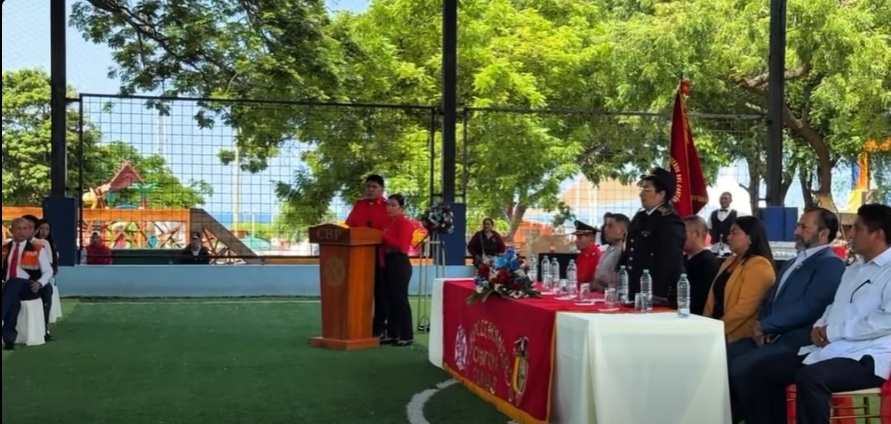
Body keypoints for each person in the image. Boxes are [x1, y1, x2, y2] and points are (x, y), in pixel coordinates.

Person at [742, 203, 891, 424]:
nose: (849, 234)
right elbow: (834, 305)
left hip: (870, 355)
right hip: (833, 347)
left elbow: (885, 322)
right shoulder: (854, 268)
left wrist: (833, 331)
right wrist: (819, 327)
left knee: (811, 378)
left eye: (857, 228)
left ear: (877, 234)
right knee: (765, 369)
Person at [726, 208, 845, 422]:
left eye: (803, 227)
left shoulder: (830, 263)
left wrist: (769, 326)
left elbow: (811, 306)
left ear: (823, 234)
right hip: (773, 334)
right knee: (723, 358)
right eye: (798, 225)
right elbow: (769, 297)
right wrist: (762, 324)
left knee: (745, 368)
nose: (796, 231)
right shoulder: (793, 261)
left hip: (798, 341)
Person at [619, 167, 686, 306]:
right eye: (642, 190)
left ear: (661, 194)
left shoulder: (669, 221)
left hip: (654, 293)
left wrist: (659, 294)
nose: (641, 194)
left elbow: (670, 261)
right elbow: (629, 252)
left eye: (646, 190)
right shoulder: (640, 217)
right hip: (635, 289)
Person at [703, 216, 776, 342]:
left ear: (750, 237)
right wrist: (706, 324)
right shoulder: (730, 261)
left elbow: (744, 309)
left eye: (734, 233)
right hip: (715, 329)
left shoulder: (759, 265)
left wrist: (716, 328)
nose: (728, 237)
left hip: (738, 335)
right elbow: (713, 297)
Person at [345, 174, 390, 338]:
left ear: (382, 190)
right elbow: (349, 227)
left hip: (380, 254)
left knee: (380, 292)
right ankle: (358, 323)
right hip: (359, 255)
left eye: (374, 187)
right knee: (360, 291)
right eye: (368, 186)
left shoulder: (387, 206)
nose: (370, 190)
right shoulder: (359, 205)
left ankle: (379, 326)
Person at [2, 217, 54, 350]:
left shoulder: (37, 248)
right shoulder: (4, 249)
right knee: (12, 298)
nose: (22, 232)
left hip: (30, 287)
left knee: (13, 283)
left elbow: (49, 271)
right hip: (8, 288)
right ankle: (9, 340)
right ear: (11, 230)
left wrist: (40, 283)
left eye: (25, 228)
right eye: (18, 228)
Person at [379, 194, 415, 347]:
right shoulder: (387, 223)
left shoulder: (406, 224)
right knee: (390, 298)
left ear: (401, 207)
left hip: (400, 262)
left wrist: (384, 237)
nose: (390, 208)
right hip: (388, 262)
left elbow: (402, 246)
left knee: (400, 299)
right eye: (388, 205)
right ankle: (393, 333)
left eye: (393, 205)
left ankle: (406, 335)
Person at [682, 215, 720, 315]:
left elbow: (698, 298)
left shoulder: (707, 262)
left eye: (683, 232)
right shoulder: (684, 259)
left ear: (696, 234)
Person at [35, 219, 59, 341]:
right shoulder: (35, 243)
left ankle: (44, 328)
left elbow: (50, 265)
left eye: (47, 229)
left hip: (44, 278)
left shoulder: (49, 244)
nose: (44, 232)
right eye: (41, 228)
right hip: (34, 277)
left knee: (47, 290)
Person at [593, 213, 628, 291]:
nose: (605, 229)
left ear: (622, 232)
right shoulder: (608, 249)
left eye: (610, 226)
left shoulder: (623, 254)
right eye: (605, 225)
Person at [572, 220, 602, 290]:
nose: (576, 241)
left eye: (579, 238)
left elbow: (594, 283)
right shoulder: (582, 254)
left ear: (591, 239)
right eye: (576, 237)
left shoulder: (596, 256)